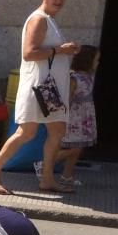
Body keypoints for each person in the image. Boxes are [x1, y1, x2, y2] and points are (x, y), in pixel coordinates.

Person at [0, 0, 82, 195]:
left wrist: (65, 50)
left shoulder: (48, 20)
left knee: (57, 130)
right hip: (40, 89)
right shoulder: (39, 19)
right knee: (26, 132)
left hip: (48, 89)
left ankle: (47, 179)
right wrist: (60, 50)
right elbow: (29, 53)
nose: (59, 0)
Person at [39, 45, 98, 187]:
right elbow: (68, 98)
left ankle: (67, 175)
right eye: (96, 60)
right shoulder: (74, 78)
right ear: (87, 61)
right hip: (74, 118)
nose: (98, 63)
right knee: (74, 147)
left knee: (80, 146)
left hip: (84, 117)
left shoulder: (88, 77)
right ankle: (44, 165)